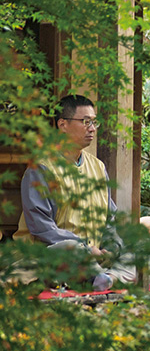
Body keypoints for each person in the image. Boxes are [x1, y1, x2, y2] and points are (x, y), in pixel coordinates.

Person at [15, 95, 135, 290]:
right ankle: (101, 277)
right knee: (69, 249)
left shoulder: (97, 167)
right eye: (86, 122)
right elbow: (41, 227)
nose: (93, 128)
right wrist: (86, 248)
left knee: (132, 248)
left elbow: (109, 218)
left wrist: (112, 248)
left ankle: (105, 278)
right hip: (53, 254)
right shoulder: (42, 168)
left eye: (94, 122)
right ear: (62, 125)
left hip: (93, 255)